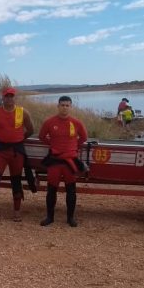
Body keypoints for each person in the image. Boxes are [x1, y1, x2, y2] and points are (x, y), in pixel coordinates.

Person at [0, 87, 35, 222]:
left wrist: (18, 138)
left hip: (16, 151)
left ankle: (17, 212)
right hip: (0, 151)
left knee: (16, 180)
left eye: (11, 96)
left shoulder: (23, 112)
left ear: (15, 97)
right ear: (3, 98)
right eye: (7, 96)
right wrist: (2, 140)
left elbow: (30, 130)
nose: (9, 99)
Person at [38, 96, 88, 227]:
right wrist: (53, 145)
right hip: (55, 161)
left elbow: (84, 137)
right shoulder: (49, 122)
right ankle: (50, 217)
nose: (64, 107)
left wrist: (72, 146)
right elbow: (41, 137)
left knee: (71, 190)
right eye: (62, 105)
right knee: (51, 190)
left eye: (67, 105)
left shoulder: (76, 123)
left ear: (70, 107)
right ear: (58, 106)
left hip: (70, 161)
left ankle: (70, 218)